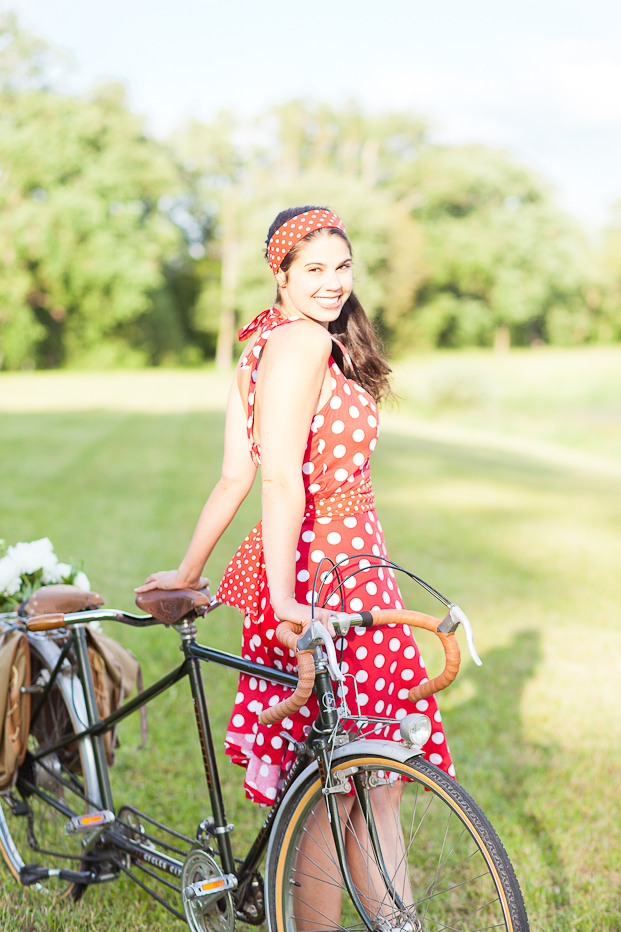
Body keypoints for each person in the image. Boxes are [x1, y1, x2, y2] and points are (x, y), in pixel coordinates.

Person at [136, 206, 453, 808]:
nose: (334, 282)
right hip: (336, 570)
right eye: (314, 268)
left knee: (329, 785)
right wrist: (284, 597)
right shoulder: (305, 339)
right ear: (281, 275)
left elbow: (233, 477)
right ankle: (387, 909)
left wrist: (186, 573)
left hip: (320, 561)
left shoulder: (257, 349)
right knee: (367, 775)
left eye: (343, 266)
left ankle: (372, 908)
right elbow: (276, 478)